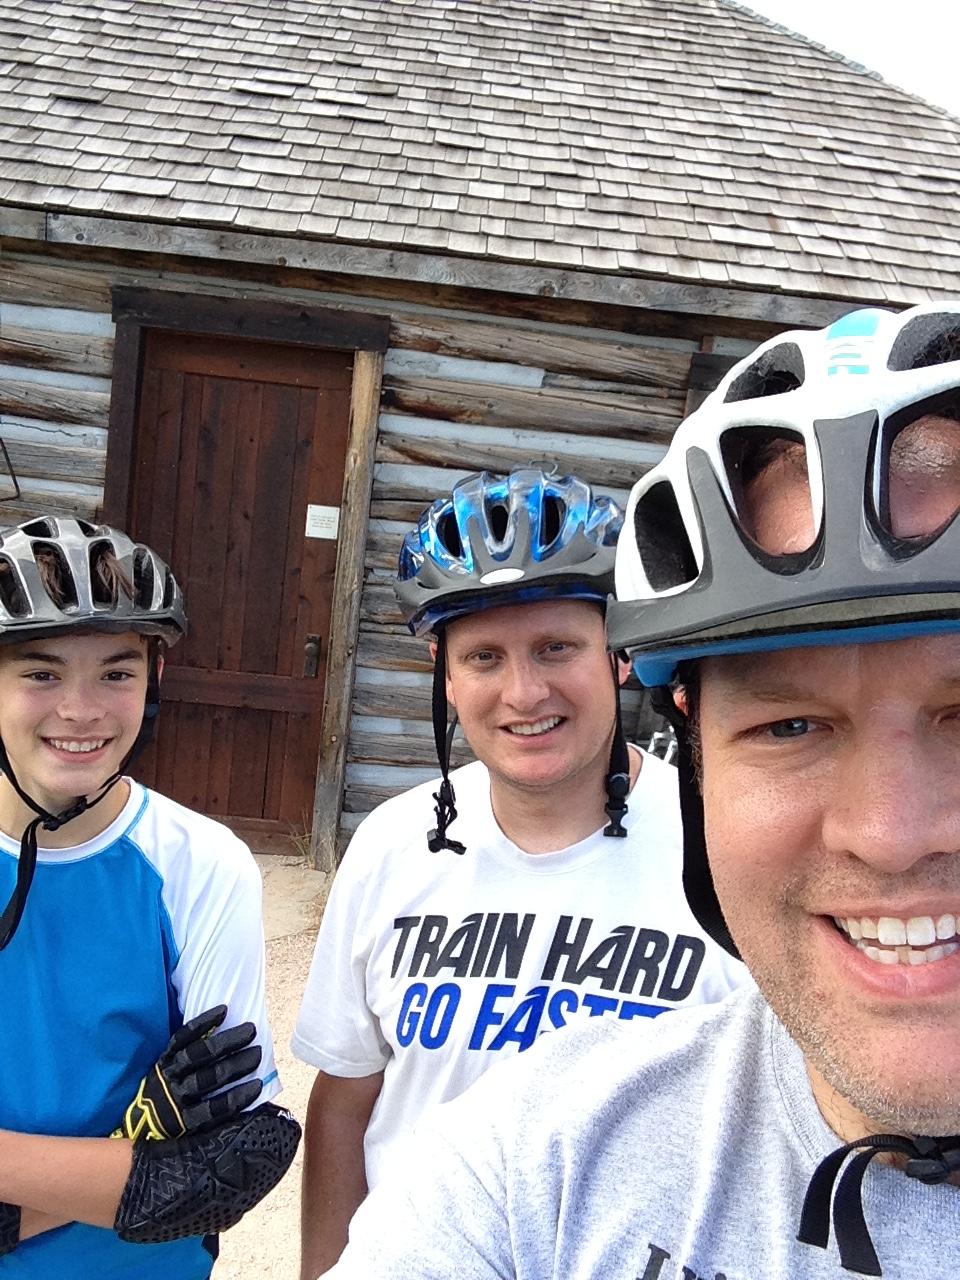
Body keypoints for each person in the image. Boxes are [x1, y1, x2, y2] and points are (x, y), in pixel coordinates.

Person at [325, 303, 960, 1279]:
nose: (888, 832)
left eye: (555, 649)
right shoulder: (540, 1152)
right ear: (699, 753)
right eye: (789, 723)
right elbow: (351, 1100)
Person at [293, 467, 746, 1278]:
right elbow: (346, 1099)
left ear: (617, 653)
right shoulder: (393, 845)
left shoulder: (721, 840)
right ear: (446, 674)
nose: (523, 691)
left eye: (556, 647)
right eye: (484, 657)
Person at [0, 517, 300, 1277]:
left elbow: (230, 1164)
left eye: (116, 672)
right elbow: (177, 1173)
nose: (82, 710)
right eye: (41, 673)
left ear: (154, 681)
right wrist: (130, 1157)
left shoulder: (200, 863)